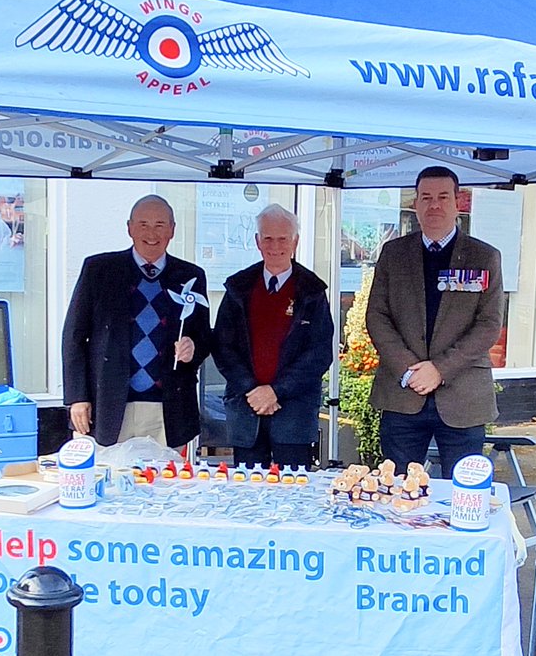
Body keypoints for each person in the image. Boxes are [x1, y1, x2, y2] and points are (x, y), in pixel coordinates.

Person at [366, 166, 505, 480]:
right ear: (415, 204)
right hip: (403, 395)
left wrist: (440, 369)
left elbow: (488, 324)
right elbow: (377, 316)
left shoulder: (484, 257)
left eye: (443, 197)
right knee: (397, 489)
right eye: (426, 198)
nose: (434, 205)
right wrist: (410, 369)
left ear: (459, 202)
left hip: (463, 397)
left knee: (462, 495)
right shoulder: (393, 254)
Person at [63, 194, 211, 448]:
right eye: (143, 224)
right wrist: (77, 397)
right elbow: (73, 337)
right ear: (129, 228)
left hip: (168, 409)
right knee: (111, 482)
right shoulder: (99, 270)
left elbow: (204, 337)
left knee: (167, 484)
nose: (151, 233)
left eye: (160, 225)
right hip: (109, 405)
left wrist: (192, 349)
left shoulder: (191, 276)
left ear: (172, 230)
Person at [213, 204, 334, 468]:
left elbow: (319, 353)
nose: (275, 246)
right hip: (247, 410)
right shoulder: (238, 287)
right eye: (268, 238)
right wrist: (253, 390)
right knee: (247, 493)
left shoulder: (312, 291)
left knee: (294, 494)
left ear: (295, 242)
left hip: (294, 415)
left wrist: (276, 391)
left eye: (283, 239)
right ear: (257, 241)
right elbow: (223, 347)